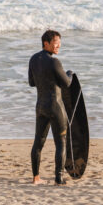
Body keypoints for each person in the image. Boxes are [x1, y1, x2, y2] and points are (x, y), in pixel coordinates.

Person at [29, 30, 73, 185]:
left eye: (60, 42)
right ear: (46, 43)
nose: (58, 45)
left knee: (38, 142)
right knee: (61, 142)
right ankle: (59, 178)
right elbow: (66, 83)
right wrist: (69, 74)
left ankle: (36, 178)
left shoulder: (33, 59)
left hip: (40, 107)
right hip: (55, 107)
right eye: (55, 42)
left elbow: (32, 82)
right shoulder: (55, 62)